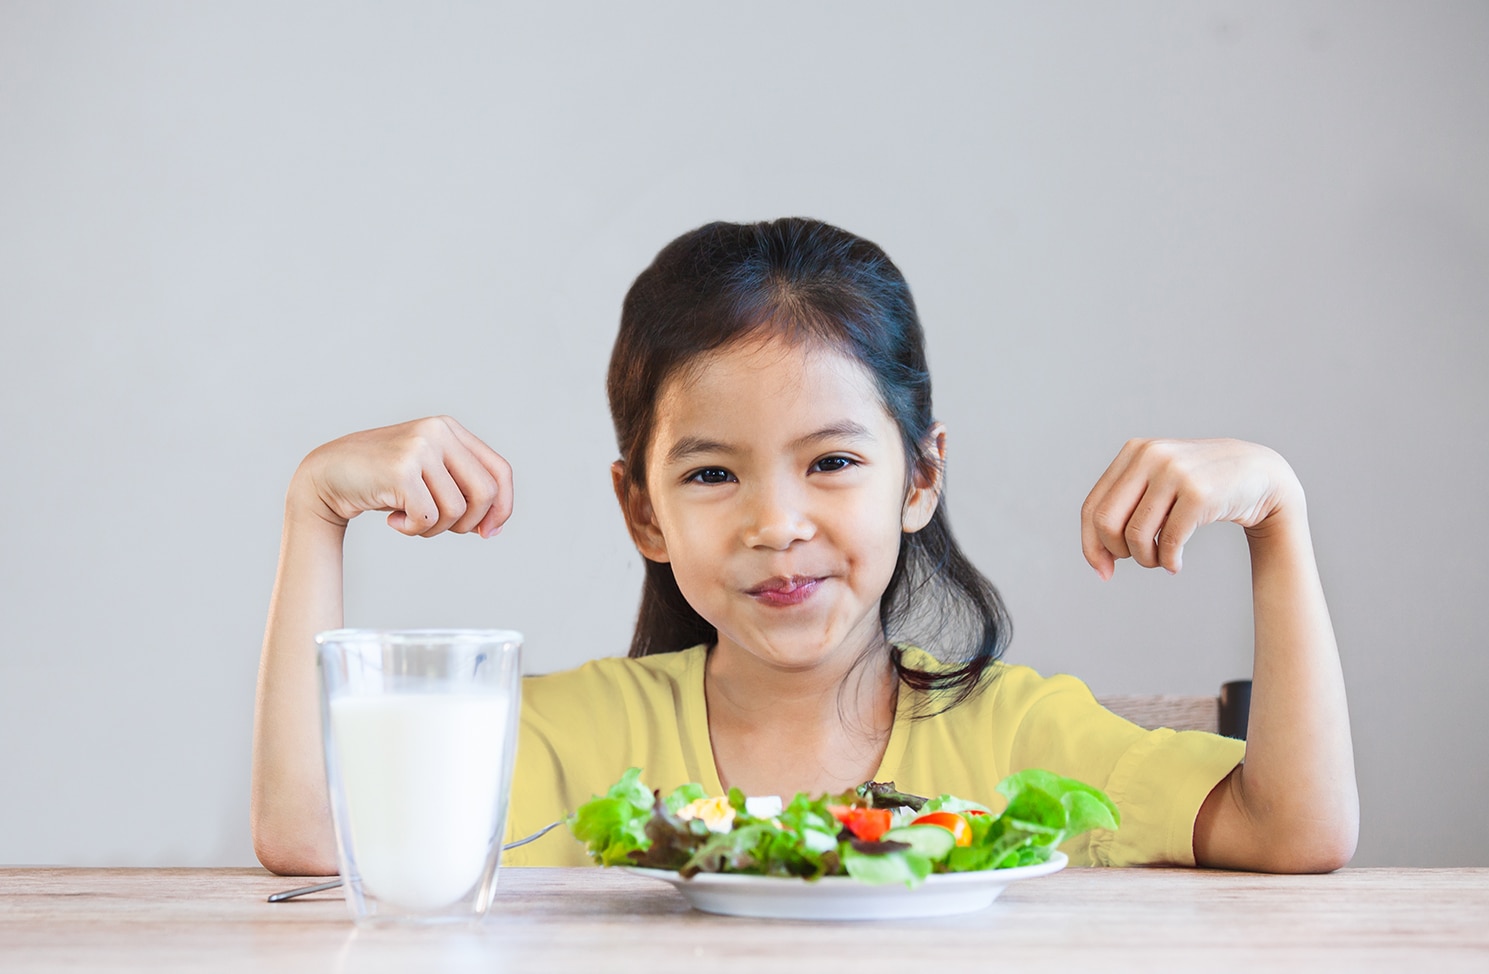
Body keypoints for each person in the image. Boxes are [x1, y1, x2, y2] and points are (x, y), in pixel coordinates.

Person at [251, 218, 1358, 876]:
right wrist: (315, 509)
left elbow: (1294, 831)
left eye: (831, 462)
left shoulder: (1021, 735)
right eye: (712, 473)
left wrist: (1279, 519)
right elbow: (311, 834)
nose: (777, 522)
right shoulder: (564, 735)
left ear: (921, 477)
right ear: (644, 512)